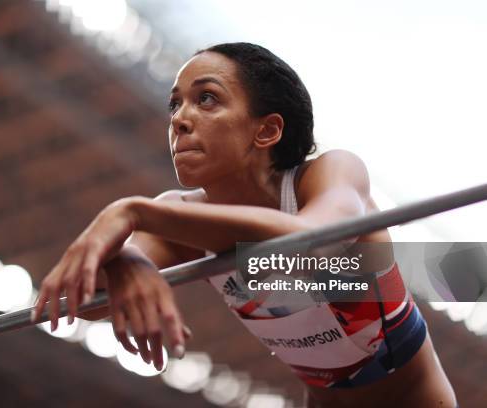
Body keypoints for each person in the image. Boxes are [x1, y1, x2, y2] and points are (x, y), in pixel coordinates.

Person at [32, 42, 457, 407]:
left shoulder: (329, 174)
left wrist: (130, 213)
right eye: (174, 103)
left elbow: (312, 245)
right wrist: (127, 260)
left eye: (207, 99)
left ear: (267, 130)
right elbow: (83, 305)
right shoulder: (175, 217)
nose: (179, 119)